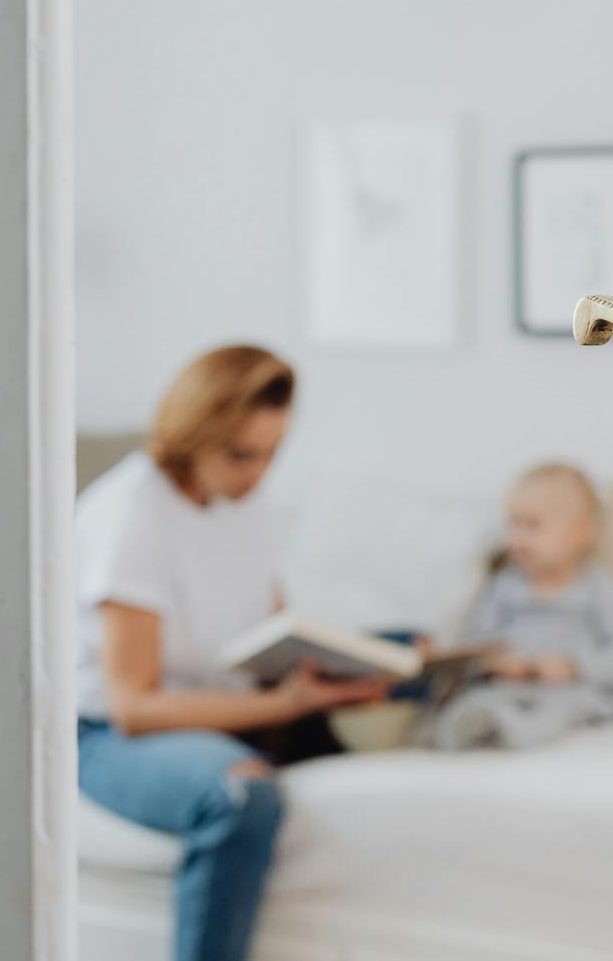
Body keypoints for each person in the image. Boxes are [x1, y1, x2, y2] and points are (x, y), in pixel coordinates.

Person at [75, 345, 385, 961]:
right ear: (192, 434)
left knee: (403, 656)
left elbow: (266, 633)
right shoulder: (131, 517)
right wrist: (285, 706)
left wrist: (318, 676)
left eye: (272, 453)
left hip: (232, 701)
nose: (259, 473)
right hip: (110, 736)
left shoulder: (254, 508)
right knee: (241, 799)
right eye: (242, 455)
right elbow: (134, 708)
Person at [432, 463, 613, 750]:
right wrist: (494, 663)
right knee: (475, 702)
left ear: (579, 533)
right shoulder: (503, 585)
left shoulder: (597, 586)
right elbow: (474, 640)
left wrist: (573, 666)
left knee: (561, 711)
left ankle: (508, 734)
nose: (517, 539)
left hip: (571, 690)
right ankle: (471, 728)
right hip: (508, 687)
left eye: (532, 525)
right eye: (513, 524)